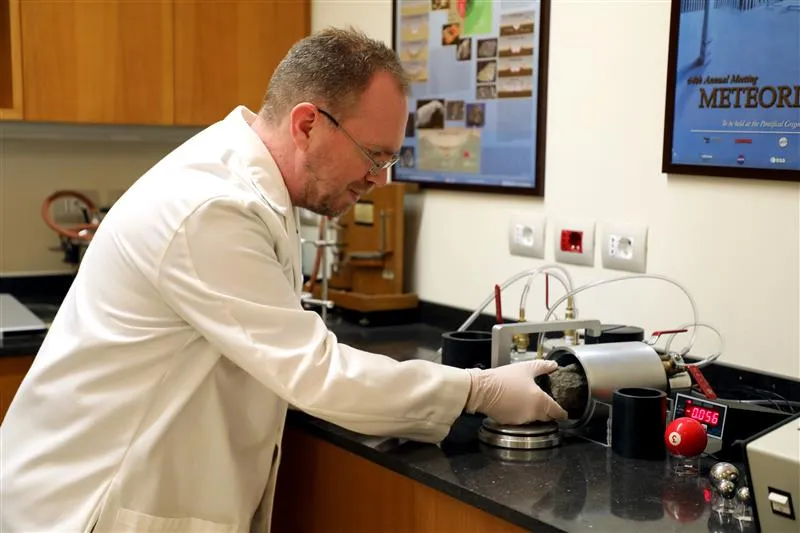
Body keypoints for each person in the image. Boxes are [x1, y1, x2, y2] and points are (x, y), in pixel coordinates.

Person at [0, 27, 566, 533]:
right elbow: (317, 374)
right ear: (307, 124)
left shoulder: (256, 190)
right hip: (87, 505)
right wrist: (480, 390)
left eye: (388, 162)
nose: (378, 179)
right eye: (373, 156)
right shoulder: (212, 207)